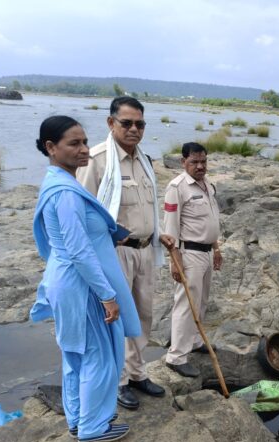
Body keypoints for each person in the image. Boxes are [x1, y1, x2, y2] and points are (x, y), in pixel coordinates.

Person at [31, 115, 140, 442]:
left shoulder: (59, 182)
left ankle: (78, 419)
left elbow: (76, 238)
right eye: (74, 143)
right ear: (51, 147)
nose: (84, 150)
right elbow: (79, 251)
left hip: (68, 281)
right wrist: (107, 295)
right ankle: (94, 427)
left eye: (84, 142)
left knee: (75, 353)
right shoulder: (64, 192)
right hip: (81, 284)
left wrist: (109, 234)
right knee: (99, 355)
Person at [77, 96, 175, 410]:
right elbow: (83, 213)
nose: (134, 129)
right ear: (111, 123)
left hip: (146, 251)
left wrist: (160, 234)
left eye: (140, 124)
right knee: (115, 318)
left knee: (142, 316)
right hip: (115, 253)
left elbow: (146, 210)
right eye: (127, 123)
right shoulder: (97, 160)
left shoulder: (144, 160)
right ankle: (117, 381)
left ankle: (137, 372)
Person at [162, 142, 222, 377]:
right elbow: (170, 228)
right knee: (185, 305)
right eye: (194, 162)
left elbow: (212, 220)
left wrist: (216, 249)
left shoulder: (208, 185)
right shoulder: (176, 188)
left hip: (207, 252)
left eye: (203, 161)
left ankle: (196, 341)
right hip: (189, 253)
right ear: (183, 161)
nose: (200, 166)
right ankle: (176, 356)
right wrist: (175, 261)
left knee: (202, 301)